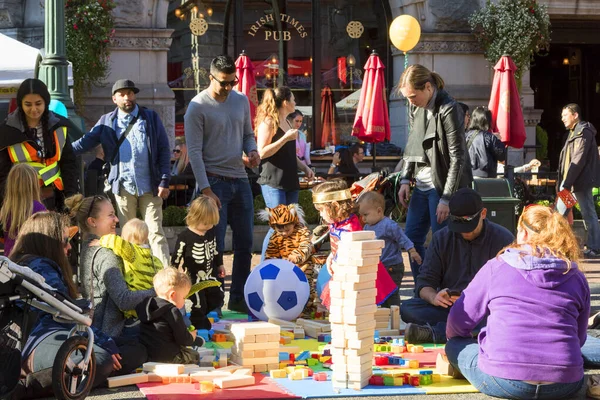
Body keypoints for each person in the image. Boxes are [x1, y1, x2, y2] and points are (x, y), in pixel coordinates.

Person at [445, 205, 589, 399]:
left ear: (523, 233)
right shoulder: (575, 276)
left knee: (455, 344)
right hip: (565, 381)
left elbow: (458, 321)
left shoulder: (497, 266)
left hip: (503, 380)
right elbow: (579, 338)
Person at [12, 212, 147, 397]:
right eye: (65, 241)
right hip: (39, 342)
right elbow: (69, 314)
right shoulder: (41, 266)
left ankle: (84, 375)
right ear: (49, 243)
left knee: (133, 349)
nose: (69, 247)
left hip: (48, 338)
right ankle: (32, 383)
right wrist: (104, 342)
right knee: (104, 357)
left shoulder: (28, 263)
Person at [184, 55, 260, 313]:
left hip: (240, 180)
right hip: (213, 182)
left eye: (232, 82)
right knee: (211, 247)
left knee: (245, 244)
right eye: (223, 83)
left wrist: (253, 151)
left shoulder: (240, 101)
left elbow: (248, 135)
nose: (228, 88)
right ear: (210, 77)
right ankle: (212, 303)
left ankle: (238, 299)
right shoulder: (197, 106)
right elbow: (193, 152)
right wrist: (206, 188)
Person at [72, 79, 172, 267]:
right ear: (114, 98)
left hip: (150, 185)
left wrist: (164, 179)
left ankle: (165, 275)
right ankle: (132, 274)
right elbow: (84, 143)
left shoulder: (150, 118)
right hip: (123, 187)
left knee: (155, 232)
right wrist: (60, 150)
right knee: (127, 234)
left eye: (131, 93)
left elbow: (164, 149)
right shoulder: (106, 121)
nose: (127, 97)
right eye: (122, 94)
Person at [400, 188, 513, 344]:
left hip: (486, 309)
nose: (464, 232)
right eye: (458, 224)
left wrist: (481, 300)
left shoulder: (502, 239)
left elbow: (511, 288)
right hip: (450, 308)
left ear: (483, 214)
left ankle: (439, 333)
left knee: (505, 315)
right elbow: (424, 282)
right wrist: (434, 297)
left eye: (468, 224)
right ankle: (467, 332)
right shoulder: (442, 238)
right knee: (408, 308)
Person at [396, 65, 472, 284]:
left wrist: (447, 198)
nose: (410, 101)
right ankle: (424, 286)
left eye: (412, 96)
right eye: (406, 97)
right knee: (411, 239)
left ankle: (443, 289)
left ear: (428, 87)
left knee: (442, 242)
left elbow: (458, 157)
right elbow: (412, 146)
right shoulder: (415, 108)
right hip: (421, 184)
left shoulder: (449, 108)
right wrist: (404, 179)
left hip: (441, 187)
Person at [66, 194, 155, 338]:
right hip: (115, 335)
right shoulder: (106, 254)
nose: (117, 219)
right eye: (111, 215)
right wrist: (157, 291)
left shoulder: (87, 248)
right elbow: (124, 300)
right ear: (92, 221)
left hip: (98, 331)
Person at [312, 180, 397, 308]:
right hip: (343, 273)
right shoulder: (336, 224)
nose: (320, 214)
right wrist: (331, 256)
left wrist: (338, 263)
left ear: (334, 206)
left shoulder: (350, 228)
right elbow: (337, 245)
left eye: (321, 210)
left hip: (357, 276)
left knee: (361, 307)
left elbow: (354, 256)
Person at [0, 78, 78, 211]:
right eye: (28, 104)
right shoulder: (6, 131)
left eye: (38, 103)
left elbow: (68, 164)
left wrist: (71, 196)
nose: (34, 109)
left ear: (45, 102)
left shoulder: (59, 126)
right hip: (20, 202)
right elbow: (2, 173)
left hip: (54, 199)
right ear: (21, 104)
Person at [255, 87, 314, 259]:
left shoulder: (287, 122)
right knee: (278, 226)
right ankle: (265, 264)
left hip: (290, 180)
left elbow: (289, 153)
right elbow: (262, 152)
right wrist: (285, 138)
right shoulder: (268, 122)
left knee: (291, 226)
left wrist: (304, 167)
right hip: (273, 181)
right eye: (294, 99)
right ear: (286, 102)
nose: (295, 102)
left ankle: (284, 263)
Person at [357, 191, 422, 307]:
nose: (363, 219)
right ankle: (384, 314)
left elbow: (402, 238)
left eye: (366, 215)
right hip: (379, 266)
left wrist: (412, 251)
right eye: (361, 215)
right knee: (380, 292)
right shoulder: (367, 227)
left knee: (391, 293)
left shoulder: (388, 225)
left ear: (379, 211)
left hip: (392, 267)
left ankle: (394, 315)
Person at [171, 195, 225, 329]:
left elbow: (216, 250)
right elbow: (177, 255)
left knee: (218, 296)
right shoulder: (185, 236)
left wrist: (220, 264)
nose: (209, 226)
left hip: (210, 275)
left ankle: (205, 317)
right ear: (195, 217)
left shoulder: (210, 233)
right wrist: (173, 271)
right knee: (199, 302)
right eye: (206, 223)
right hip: (194, 278)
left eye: (211, 223)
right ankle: (198, 324)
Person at [556, 103, 600, 258]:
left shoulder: (583, 132)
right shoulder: (574, 132)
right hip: (571, 181)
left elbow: (578, 159)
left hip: (578, 182)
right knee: (560, 213)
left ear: (575, 115)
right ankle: (556, 245)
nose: (562, 119)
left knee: (587, 212)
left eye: (565, 115)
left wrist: (566, 183)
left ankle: (595, 247)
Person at [257, 203, 316, 317]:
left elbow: (306, 246)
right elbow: (271, 253)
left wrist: (296, 256)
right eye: (280, 231)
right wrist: (270, 263)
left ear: (294, 222)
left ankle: (307, 308)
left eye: (287, 230)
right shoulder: (275, 236)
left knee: (305, 287)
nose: (284, 233)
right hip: (284, 269)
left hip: (302, 266)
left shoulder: (302, 231)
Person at [98, 218, 163, 319]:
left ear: (126, 238)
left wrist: (100, 241)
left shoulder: (132, 252)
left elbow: (115, 241)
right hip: (151, 303)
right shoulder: (155, 260)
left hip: (135, 305)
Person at [136, 267, 201, 364]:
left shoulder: (146, 305)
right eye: (183, 297)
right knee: (194, 355)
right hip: (169, 357)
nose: (184, 301)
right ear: (172, 295)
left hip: (148, 356)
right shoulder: (172, 311)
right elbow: (183, 339)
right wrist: (192, 336)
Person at [0, 164, 47, 257]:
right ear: (34, 184)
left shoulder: (4, 210)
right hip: (31, 262)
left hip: (9, 261)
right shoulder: (39, 209)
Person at [465, 106, 506, 178]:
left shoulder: (465, 136)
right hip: (486, 179)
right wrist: (498, 140)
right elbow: (502, 155)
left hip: (468, 177)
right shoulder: (490, 137)